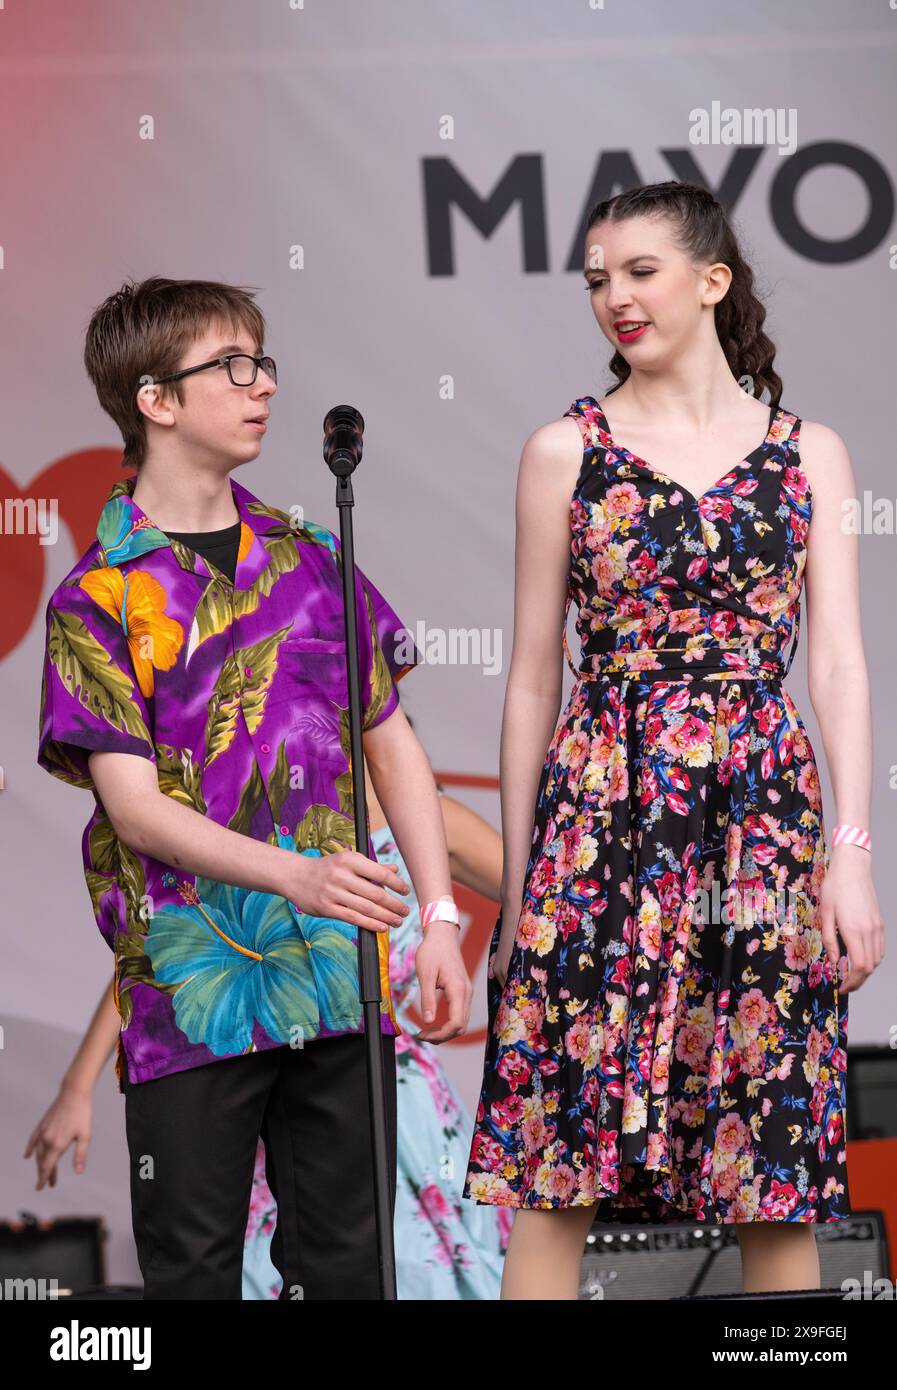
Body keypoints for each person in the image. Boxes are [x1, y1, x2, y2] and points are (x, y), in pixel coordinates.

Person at [462, 180, 885, 1301]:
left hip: (762, 825)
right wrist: (520, 887)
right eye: (598, 277)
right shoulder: (565, 449)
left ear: (712, 280)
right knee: (558, 1166)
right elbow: (532, 678)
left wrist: (851, 852)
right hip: (599, 818)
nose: (615, 297)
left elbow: (838, 662)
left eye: (640, 271)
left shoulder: (811, 454)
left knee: (771, 1168)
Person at [35, 275, 471, 1300]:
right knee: (193, 1276)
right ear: (156, 399)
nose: (262, 385)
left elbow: (391, 740)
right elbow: (137, 810)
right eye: (232, 366)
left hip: (340, 981)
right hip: (194, 1000)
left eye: (263, 361)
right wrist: (299, 876)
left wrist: (442, 915)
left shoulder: (314, 557)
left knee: (353, 1271)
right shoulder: (96, 598)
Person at [27, 738, 514, 1299]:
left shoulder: (429, 823)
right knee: (254, 1264)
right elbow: (179, 964)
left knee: (394, 1266)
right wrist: (76, 1087)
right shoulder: (265, 828)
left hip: (390, 1088)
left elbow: (536, 899)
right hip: (266, 1075)